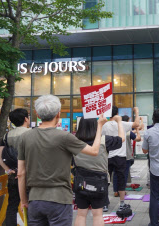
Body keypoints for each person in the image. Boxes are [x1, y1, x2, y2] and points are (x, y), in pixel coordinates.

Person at [17, 95, 108, 225]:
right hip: (59, 199)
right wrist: (99, 126)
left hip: (35, 199)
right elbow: (94, 151)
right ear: (58, 114)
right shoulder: (65, 137)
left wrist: (24, 200)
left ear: (37, 114)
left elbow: (21, 173)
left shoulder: (25, 137)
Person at [73, 116, 124, 226]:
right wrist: (119, 122)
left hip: (80, 181)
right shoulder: (105, 140)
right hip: (99, 182)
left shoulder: (74, 141)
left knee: (81, 214)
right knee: (97, 214)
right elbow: (122, 139)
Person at [102, 106, 140, 215]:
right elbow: (137, 124)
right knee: (121, 180)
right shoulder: (122, 124)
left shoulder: (104, 125)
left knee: (106, 180)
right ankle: (122, 204)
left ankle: (104, 203)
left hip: (108, 156)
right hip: (120, 156)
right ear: (117, 113)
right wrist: (136, 112)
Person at [0, 108, 31, 226]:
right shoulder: (31, 134)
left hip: (13, 176)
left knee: (12, 205)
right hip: (28, 176)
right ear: (26, 119)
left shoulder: (7, 136)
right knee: (31, 205)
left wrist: (9, 170)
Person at [113, 115, 141, 197]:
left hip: (115, 154)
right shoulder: (128, 132)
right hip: (126, 155)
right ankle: (122, 190)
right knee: (124, 174)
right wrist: (138, 131)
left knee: (116, 173)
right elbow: (138, 139)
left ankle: (115, 190)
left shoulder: (115, 130)